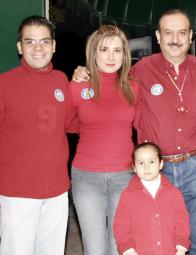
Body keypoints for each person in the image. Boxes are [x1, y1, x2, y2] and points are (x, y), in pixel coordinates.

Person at [73, 9, 196, 255]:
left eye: (182, 32)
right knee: (153, 239)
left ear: (190, 37)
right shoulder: (140, 70)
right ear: (158, 36)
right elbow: (114, 86)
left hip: (195, 164)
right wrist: (84, 72)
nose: (175, 39)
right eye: (168, 32)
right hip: (154, 168)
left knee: (195, 238)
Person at [0, 16, 70, 254]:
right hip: (17, 195)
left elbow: (73, 124)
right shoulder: (4, 84)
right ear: (20, 47)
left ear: (53, 45)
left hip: (58, 192)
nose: (38, 48)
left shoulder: (62, 80)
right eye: (30, 42)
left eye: (44, 41)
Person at [68, 25, 140, 255]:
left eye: (117, 50)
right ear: (94, 53)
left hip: (124, 177)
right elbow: (69, 124)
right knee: (95, 249)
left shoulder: (134, 88)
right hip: (86, 179)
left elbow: (142, 125)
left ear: (124, 54)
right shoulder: (78, 87)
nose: (111, 56)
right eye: (104, 49)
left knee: (120, 247)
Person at [113, 142, 190, 255]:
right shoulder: (128, 195)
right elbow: (121, 225)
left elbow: (182, 221)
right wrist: (128, 249)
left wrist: (181, 247)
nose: (146, 167)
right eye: (141, 163)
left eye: (152, 161)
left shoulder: (174, 193)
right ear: (134, 167)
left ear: (161, 164)